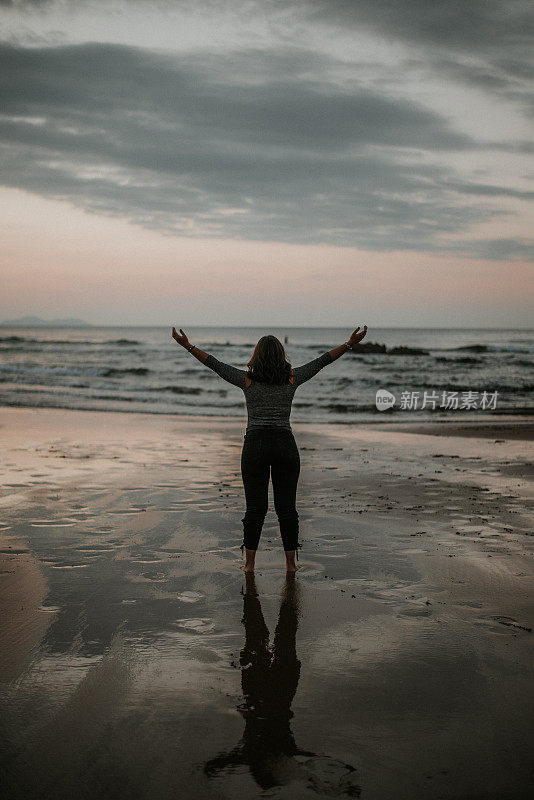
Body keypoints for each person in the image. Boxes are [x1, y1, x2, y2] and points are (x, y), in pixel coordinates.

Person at [171, 325, 368, 572]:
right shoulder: (292, 378)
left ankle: (250, 565)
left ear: (256, 356)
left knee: (255, 508)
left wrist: (187, 346)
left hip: (255, 446)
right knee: (286, 509)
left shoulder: (247, 380)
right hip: (285, 444)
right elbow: (321, 362)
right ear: (281, 355)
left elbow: (215, 364)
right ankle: (290, 566)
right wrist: (349, 344)